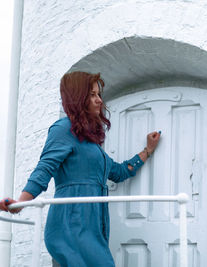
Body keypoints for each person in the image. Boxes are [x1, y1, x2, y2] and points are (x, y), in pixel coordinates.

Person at [0, 71, 160, 266]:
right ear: (78, 97)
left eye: (98, 95)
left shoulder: (90, 144)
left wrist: (147, 151)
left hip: (92, 227)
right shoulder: (63, 128)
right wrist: (21, 203)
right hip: (71, 224)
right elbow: (44, 168)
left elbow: (118, 172)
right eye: (92, 95)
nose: (99, 100)